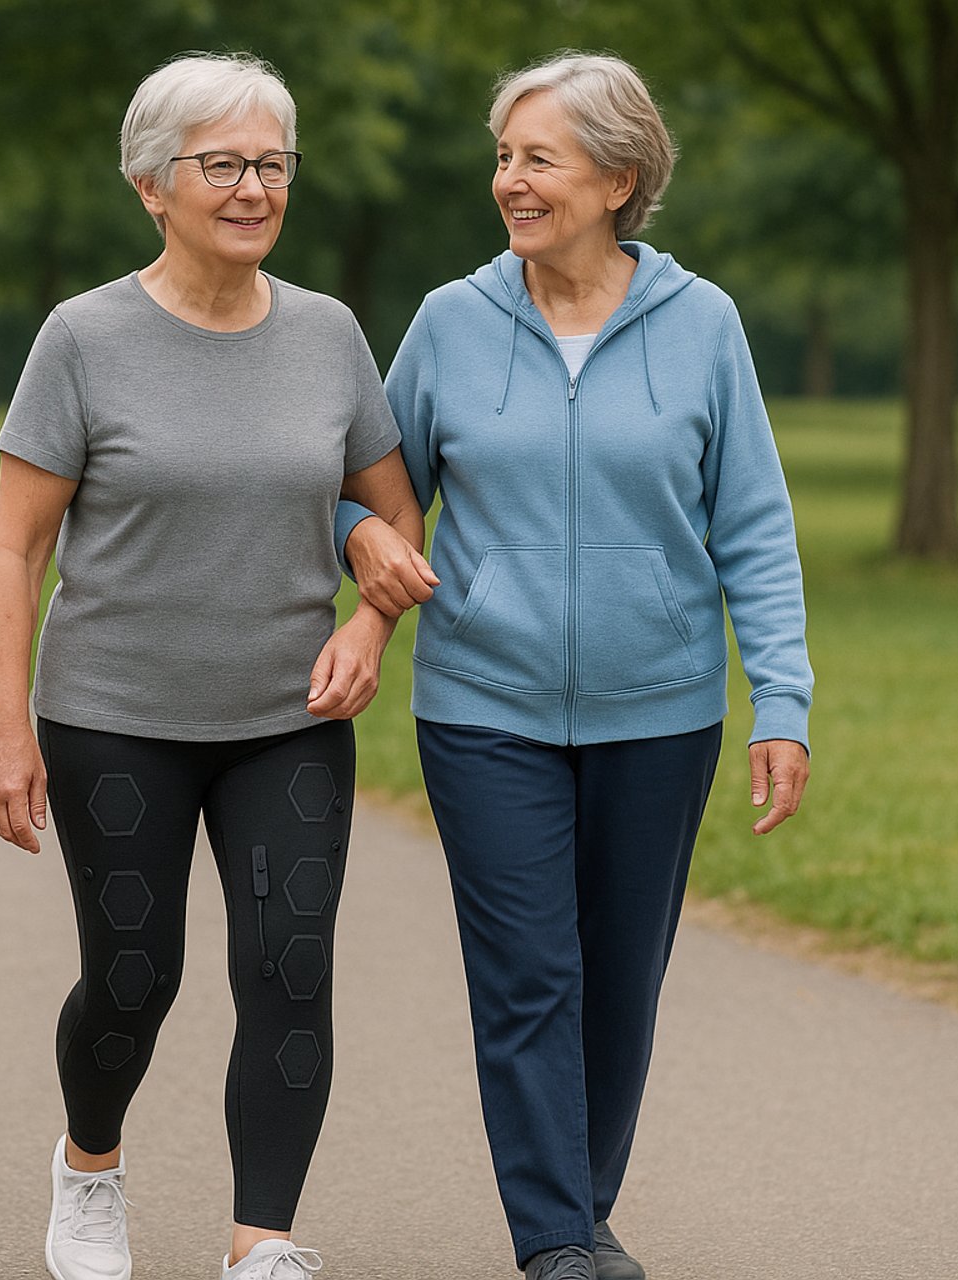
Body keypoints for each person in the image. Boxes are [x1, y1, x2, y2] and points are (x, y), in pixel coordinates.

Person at [336, 52, 813, 1280]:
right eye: (503, 157)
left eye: (538, 158)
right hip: (482, 705)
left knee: (619, 979)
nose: (510, 180)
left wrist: (783, 698)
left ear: (618, 178)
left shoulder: (703, 324)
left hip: (661, 710)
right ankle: (554, 1240)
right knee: (529, 976)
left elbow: (754, 526)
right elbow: (369, 488)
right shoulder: (450, 321)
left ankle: (582, 1208)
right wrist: (358, 540)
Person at [0, 52, 424, 1280]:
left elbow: (392, 512)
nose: (253, 188)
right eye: (221, 164)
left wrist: (368, 621)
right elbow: (14, 547)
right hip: (115, 714)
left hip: (289, 714)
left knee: (290, 964)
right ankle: (90, 1162)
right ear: (150, 185)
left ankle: (261, 1241)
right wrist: (7, 733)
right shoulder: (83, 337)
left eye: (272, 164)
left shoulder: (329, 334)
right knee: (134, 976)